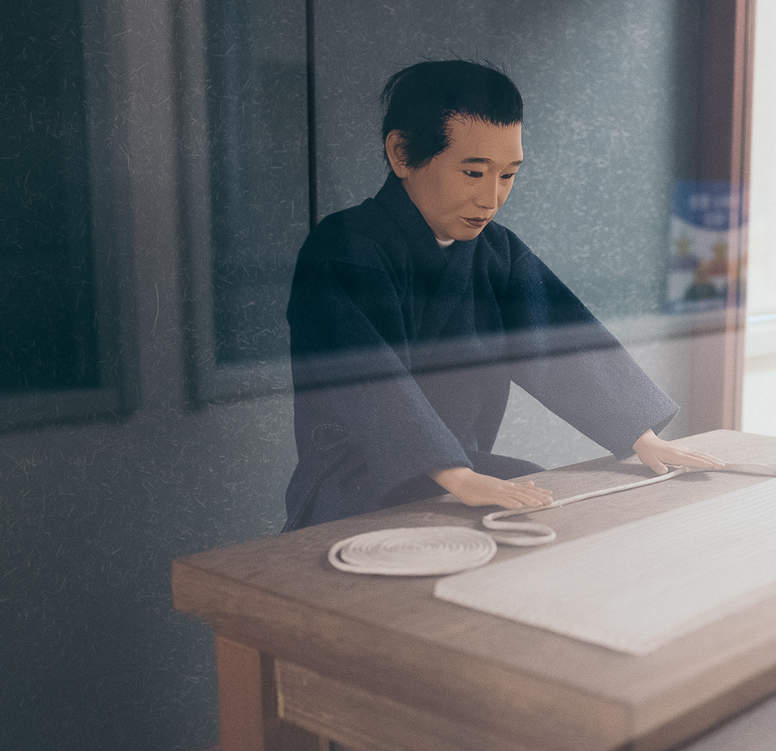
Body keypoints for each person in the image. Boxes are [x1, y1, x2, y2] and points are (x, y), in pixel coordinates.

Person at [283, 60, 721, 531]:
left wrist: (641, 437)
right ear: (402, 154)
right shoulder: (342, 249)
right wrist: (455, 475)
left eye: (507, 175)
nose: (491, 199)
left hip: (458, 468)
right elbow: (369, 381)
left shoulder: (496, 253)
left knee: (549, 500)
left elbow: (561, 342)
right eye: (474, 173)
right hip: (356, 481)